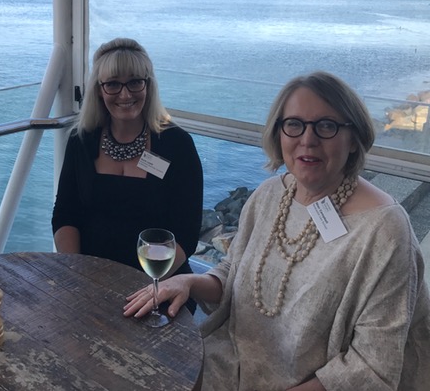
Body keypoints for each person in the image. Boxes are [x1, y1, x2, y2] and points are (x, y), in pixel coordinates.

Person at [124, 71, 430, 390]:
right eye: (294, 124)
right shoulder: (269, 195)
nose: (307, 140)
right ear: (279, 132)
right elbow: (234, 274)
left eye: (327, 126)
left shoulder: (384, 231)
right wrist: (188, 282)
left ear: (353, 138)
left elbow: (371, 368)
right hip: (226, 367)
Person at [52, 37, 203, 283]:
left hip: (159, 279)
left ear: (148, 86)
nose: (125, 94)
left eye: (134, 82)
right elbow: (65, 214)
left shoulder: (177, 144)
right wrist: (76, 272)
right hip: (89, 277)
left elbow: (187, 232)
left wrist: (145, 286)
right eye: (113, 84)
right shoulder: (81, 141)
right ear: (99, 90)